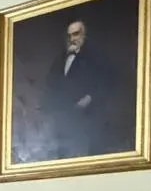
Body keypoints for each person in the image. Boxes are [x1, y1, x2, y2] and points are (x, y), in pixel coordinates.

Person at [37, 18, 135, 161]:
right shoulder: (60, 59)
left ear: (84, 36)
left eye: (76, 34)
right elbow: (51, 83)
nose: (72, 39)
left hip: (90, 115)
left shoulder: (96, 57)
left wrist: (90, 97)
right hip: (64, 116)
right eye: (69, 35)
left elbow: (109, 80)